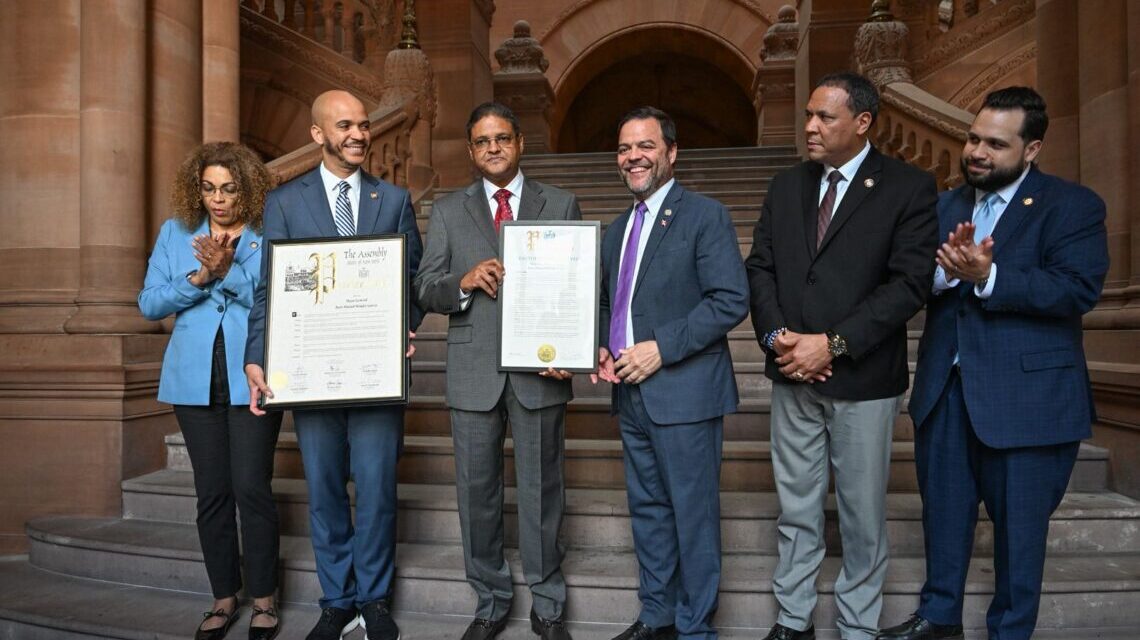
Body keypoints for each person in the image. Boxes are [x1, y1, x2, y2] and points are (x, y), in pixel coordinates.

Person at [876, 87, 1109, 640]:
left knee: (1020, 534)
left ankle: (1010, 632)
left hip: (1028, 401)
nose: (977, 151)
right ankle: (939, 619)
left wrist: (991, 277)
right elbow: (911, 284)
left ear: (1031, 151)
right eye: (974, 138)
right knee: (945, 519)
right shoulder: (945, 206)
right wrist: (946, 272)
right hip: (946, 392)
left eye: (996, 144)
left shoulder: (1072, 206)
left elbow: (1077, 290)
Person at [744, 72, 938, 640]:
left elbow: (908, 285)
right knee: (798, 510)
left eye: (824, 117)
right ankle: (793, 620)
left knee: (860, 517)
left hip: (863, 381)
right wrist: (777, 334)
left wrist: (830, 343)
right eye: (808, 114)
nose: (809, 126)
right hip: (791, 375)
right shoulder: (786, 185)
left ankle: (856, 626)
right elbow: (761, 268)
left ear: (862, 123)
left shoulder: (908, 187)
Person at [244, 90, 424, 640]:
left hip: (374, 373)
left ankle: (374, 599)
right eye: (345, 125)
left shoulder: (392, 199)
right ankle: (337, 600)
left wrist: (402, 323)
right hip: (310, 374)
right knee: (323, 489)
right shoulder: (284, 203)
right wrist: (257, 358)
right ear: (318, 133)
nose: (359, 135)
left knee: (375, 489)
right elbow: (267, 292)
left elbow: (410, 281)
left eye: (365, 125)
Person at [414, 102, 580, 640]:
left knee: (541, 492)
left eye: (502, 138)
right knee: (477, 492)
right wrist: (460, 283)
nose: (493, 148)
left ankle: (549, 601)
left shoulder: (559, 203)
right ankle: (490, 598)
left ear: (520, 143)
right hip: (472, 370)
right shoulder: (447, 210)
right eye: (482, 140)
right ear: (470, 150)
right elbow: (424, 287)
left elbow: (579, 289)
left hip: (540, 372)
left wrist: (571, 351)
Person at [595, 106, 749, 640]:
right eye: (623, 149)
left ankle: (694, 627)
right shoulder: (615, 231)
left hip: (684, 391)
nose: (633, 157)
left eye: (645, 146)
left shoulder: (705, 216)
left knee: (692, 515)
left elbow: (731, 299)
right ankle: (657, 616)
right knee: (650, 513)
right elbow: (610, 304)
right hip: (631, 394)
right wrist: (600, 345)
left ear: (671, 153)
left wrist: (661, 348)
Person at [139, 141, 284, 640]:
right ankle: (224, 597)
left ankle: (264, 597)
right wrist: (200, 277)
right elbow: (150, 303)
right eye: (208, 189)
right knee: (212, 493)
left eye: (228, 189)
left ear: (248, 189)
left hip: (254, 375)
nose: (218, 200)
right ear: (196, 190)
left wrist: (228, 271)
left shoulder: (268, 235)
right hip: (192, 378)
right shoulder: (176, 233)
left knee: (252, 487)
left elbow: (276, 298)